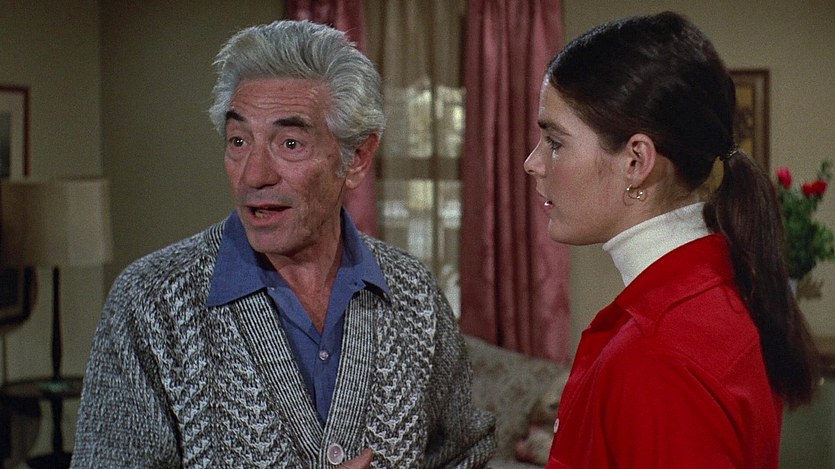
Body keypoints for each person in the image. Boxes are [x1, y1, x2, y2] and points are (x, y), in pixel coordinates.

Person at [72, 20, 495, 468]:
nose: (254, 174)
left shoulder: (413, 293)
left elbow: (466, 454)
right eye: (239, 141)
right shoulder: (150, 302)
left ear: (357, 159)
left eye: (290, 143)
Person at [523, 11, 820, 468]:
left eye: (555, 143)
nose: (533, 163)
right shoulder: (716, 289)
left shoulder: (658, 353)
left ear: (636, 161)